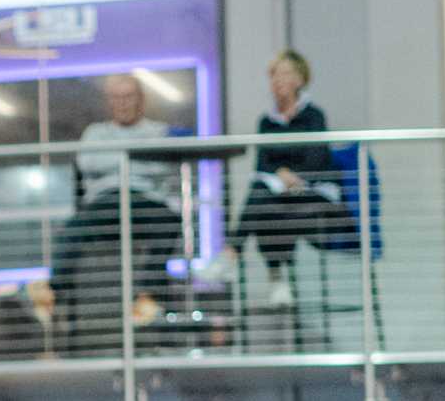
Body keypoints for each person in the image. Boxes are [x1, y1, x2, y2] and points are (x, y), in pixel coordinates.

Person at [198, 50, 346, 309]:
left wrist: (288, 173)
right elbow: (262, 164)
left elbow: (317, 160)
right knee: (267, 204)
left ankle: (242, 260)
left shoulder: (314, 116)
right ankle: (276, 280)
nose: (278, 80)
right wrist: (280, 174)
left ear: (300, 80)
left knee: (265, 206)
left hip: (314, 197)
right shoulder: (267, 121)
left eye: (285, 74)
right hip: (280, 198)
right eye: (274, 75)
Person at [51, 73, 182, 330]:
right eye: (117, 98)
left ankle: (148, 296)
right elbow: (87, 162)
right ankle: (54, 294)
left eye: (128, 97)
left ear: (141, 100)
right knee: (72, 230)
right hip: (104, 201)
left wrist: (116, 156)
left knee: (169, 221)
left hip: (145, 200)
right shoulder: (95, 133)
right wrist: (136, 156)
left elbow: (163, 167)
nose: (123, 103)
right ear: (109, 102)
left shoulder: (158, 131)